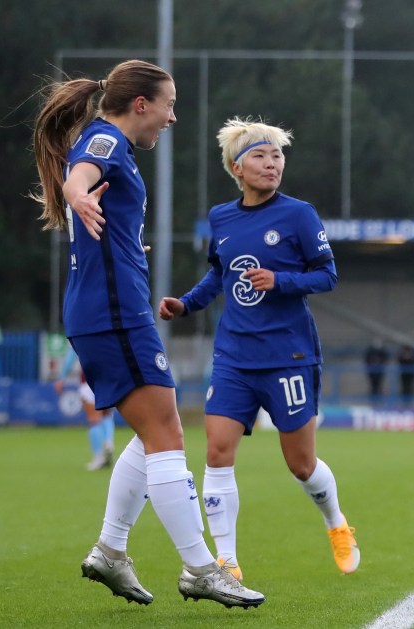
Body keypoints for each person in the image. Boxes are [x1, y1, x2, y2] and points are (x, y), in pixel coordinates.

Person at [32, 60, 263, 608]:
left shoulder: (110, 143)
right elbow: (82, 174)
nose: (172, 117)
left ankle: (111, 553)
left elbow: (90, 184)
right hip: (114, 315)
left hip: (108, 312)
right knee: (169, 438)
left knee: (150, 434)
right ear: (142, 105)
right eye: (169, 104)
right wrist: (76, 191)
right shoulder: (107, 141)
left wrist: (127, 248)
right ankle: (200, 569)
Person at [159, 117, 359, 583]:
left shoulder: (299, 215)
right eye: (260, 157)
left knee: (301, 464)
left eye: (277, 156)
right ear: (237, 167)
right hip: (234, 356)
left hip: (288, 355)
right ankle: (226, 561)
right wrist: (185, 304)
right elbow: (218, 274)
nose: (272, 165)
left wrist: (280, 280)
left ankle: (336, 522)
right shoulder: (221, 217)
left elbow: (327, 275)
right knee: (217, 451)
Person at [54, 346, 116, 471]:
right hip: (108, 379)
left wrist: (61, 378)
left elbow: (71, 358)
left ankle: (98, 457)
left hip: (88, 380)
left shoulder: (81, 331)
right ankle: (108, 441)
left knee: (94, 420)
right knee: (107, 415)